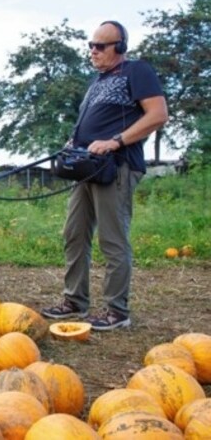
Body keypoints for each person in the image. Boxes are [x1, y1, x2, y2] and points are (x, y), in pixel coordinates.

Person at [41, 20, 168, 330]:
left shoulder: (136, 71)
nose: (93, 51)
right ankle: (75, 300)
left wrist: (116, 141)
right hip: (86, 167)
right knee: (74, 233)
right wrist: (73, 144)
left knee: (112, 239)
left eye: (101, 46)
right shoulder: (97, 81)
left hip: (117, 166)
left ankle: (117, 310)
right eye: (91, 45)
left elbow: (158, 114)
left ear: (120, 48)